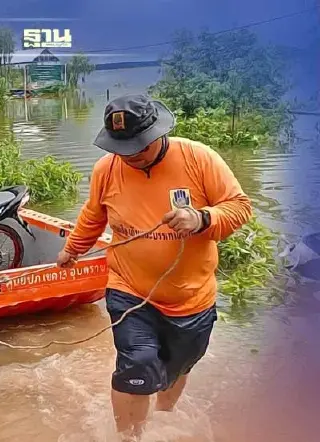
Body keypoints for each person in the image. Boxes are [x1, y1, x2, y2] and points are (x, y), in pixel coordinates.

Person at [55, 94, 253, 440]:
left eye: (138, 147)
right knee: (137, 362)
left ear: (157, 132)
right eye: (123, 148)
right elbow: (92, 216)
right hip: (128, 288)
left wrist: (202, 217)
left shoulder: (198, 157)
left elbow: (239, 207)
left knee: (177, 367)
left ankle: (162, 421)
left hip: (191, 297)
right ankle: (127, 436)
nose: (130, 156)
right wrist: (72, 249)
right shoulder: (107, 169)